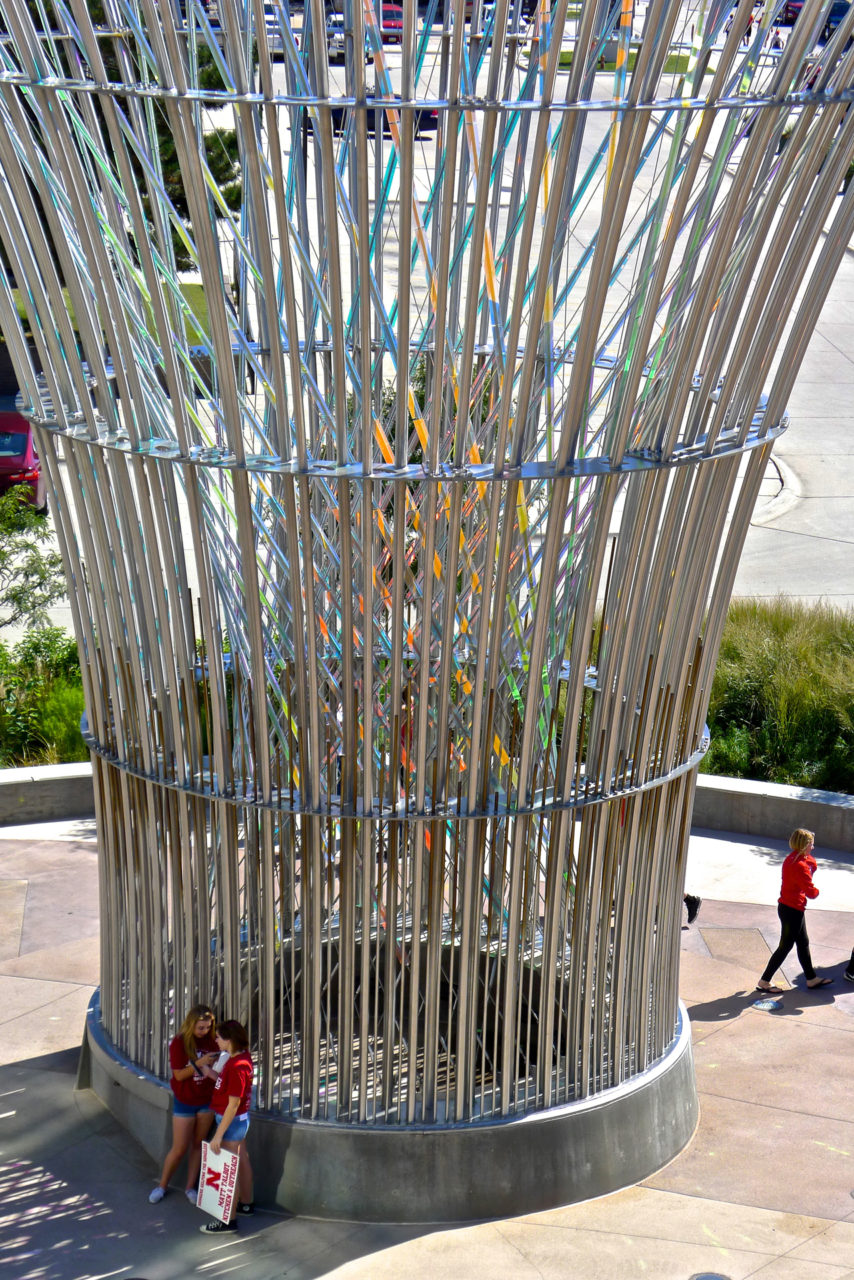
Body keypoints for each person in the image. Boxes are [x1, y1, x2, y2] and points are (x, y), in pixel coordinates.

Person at [149, 1004, 219, 1204]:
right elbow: (179, 1075)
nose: (204, 1031)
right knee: (179, 1148)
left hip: (206, 1101)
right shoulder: (179, 1043)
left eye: (208, 1027)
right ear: (191, 1025)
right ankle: (162, 1185)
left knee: (198, 1144)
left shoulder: (213, 1041)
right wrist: (201, 1062)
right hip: (185, 1100)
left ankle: (190, 1188)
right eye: (201, 1028)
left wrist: (213, 1063)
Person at [756, 829, 833, 994]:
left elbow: (810, 865)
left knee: (803, 942)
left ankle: (811, 978)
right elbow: (811, 893)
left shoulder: (791, 858)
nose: (813, 847)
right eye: (811, 844)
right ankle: (764, 981)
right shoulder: (800, 866)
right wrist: (818, 890)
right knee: (785, 946)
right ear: (805, 845)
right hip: (792, 911)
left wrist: (809, 864)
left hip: (789, 908)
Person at [199, 1019, 255, 1234]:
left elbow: (233, 1105)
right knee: (242, 1160)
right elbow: (228, 1087)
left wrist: (217, 1136)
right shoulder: (239, 1059)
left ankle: (227, 1220)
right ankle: (246, 1204)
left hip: (230, 1122)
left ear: (229, 1040)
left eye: (220, 1037)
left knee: (227, 1170)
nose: (216, 1040)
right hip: (238, 1122)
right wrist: (209, 1072)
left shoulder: (237, 1066)